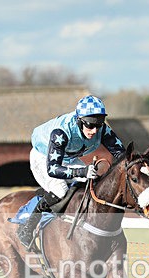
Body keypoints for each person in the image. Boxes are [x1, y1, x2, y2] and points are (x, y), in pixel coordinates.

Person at [17, 94, 126, 250]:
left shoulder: (101, 129)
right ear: (79, 120)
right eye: (90, 125)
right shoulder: (60, 132)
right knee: (60, 190)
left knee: (91, 186)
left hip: (68, 158)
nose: (94, 130)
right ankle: (28, 227)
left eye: (98, 125)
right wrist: (82, 171)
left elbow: (123, 155)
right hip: (43, 157)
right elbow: (53, 169)